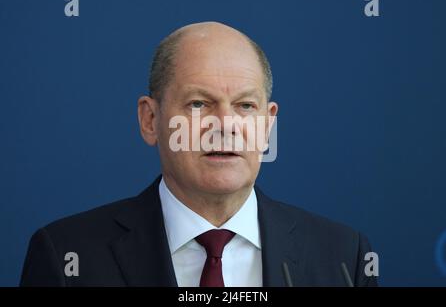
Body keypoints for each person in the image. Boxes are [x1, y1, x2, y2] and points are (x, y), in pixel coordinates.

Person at [20, 22, 377, 287]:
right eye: (198, 104)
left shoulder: (344, 257)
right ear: (150, 119)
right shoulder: (68, 256)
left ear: (267, 126)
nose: (225, 125)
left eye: (245, 105)